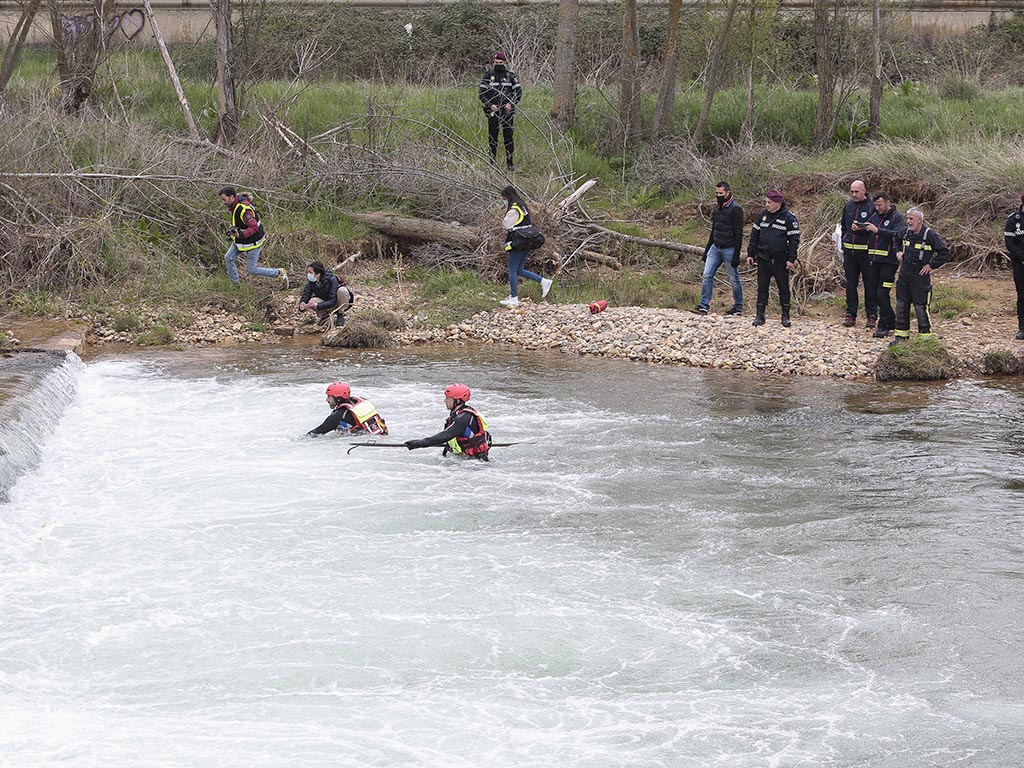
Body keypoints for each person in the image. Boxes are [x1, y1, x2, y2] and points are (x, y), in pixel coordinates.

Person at [892, 207, 950, 344]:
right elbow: (895, 239)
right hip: (904, 275)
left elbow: (944, 253)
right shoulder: (905, 233)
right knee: (901, 306)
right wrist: (898, 252)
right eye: (907, 218)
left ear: (920, 220)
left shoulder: (929, 234)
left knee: (920, 307)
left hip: (920, 276)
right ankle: (901, 338)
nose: (908, 222)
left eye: (911, 219)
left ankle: (925, 339)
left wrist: (931, 265)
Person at [746, 189, 799, 327]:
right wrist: (751, 254)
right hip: (763, 258)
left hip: (780, 260)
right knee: (762, 287)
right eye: (766, 202)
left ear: (778, 203)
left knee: (783, 288)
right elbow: (754, 236)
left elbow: (794, 240)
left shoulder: (789, 217)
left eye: (769, 202)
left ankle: (785, 316)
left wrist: (791, 259)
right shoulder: (762, 215)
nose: (766, 205)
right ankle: (760, 315)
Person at [219, 187, 289, 289]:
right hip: (242, 240)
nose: (223, 203)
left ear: (232, 197)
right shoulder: (235, 206)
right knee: (228, 257)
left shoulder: (244, 209)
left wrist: (241, 235)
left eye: (224, 200)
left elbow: (254, 227)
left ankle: (279, 273)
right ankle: (236, 286)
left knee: (252, 270)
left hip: (254, 241)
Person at [693, 181, 744, 316]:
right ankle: (704, 305)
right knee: (707, 275)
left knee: (734, 279)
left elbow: (739, 234)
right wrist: (707, 250)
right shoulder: (717, 208)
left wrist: (736, 255)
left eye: (721, 193)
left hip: (730, 248)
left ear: (728, 192)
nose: (718, 196)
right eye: (717, 193)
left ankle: (738, 307)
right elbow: (714, 229)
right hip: (716, 247)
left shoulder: (736, 209)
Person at [403, 384, 492, 461]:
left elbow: (445, 436)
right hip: (466, 459)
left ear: (457, 401)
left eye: (448, 398)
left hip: (474, 462)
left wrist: (419, 443)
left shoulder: (464, 418)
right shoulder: (461, 413)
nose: (445, 401)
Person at [499, 185, 553, 307]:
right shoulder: (522, 205)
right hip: (527, 240)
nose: (503, 201)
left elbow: (506, 225)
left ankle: (514, 298)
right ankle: (544, 281)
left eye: (503, 198)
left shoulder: (513, 209)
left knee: (512, 270)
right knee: (519, 270)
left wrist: (506, 212)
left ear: (507, 197)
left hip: (518, 241)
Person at [863, 192, 907, 339]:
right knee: (874, 292)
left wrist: (878, 230)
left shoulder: (897, 217)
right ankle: (891, 319)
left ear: (888, 202)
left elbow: (898, 235)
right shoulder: (875, 216)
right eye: (875, 205)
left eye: (880, 205)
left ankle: (883, 325)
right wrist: (861, 228)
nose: (877, 208)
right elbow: (869, 231)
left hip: (889, 262)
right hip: (874, 261)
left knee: (883, 292)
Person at [841, 179, 876, 327]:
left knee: (869, 285)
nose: (854, 194)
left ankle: (872, 315)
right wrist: (842, 240)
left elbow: (875, 229)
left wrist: (861, 229)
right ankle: (850, 314)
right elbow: (843, 225)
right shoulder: (848, 205)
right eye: (852, 191)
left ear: (864, 190)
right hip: (850, 252)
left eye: (857, 191)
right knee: (850, 285)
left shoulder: (872, 207)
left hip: (866, 253)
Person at [479, 51, 522, 171]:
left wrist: (511, 104)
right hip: (493, 111)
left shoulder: (511, 76)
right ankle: (492, 163)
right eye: (496, 62)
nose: (498, 64)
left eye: (501, 62)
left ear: (504, 62)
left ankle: (510, 163)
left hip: (507, 111)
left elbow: (518, 93)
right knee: (492, 137)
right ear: (493, 62)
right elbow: (482, 94)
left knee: (508, 137)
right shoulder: (488, 76)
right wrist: (490, 105)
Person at [307, 382, 388, 436]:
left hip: (365, 441)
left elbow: (316, 433)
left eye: (329, 397)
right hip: (382, 434)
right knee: (343, 427)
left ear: (338, 398)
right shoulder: (359, 403)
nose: (327, 400)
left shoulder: (337, 416)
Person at [298, 261, 353, 327]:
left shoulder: (332, 279)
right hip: (325, 303)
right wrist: (302, 304)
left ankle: (340, 314)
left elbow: (332, 300)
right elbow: (306, 294)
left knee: (342, 290)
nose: (308, 274)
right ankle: (324, 316)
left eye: (310, 272)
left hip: (337, 302)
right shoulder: (311, 283)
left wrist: (317, 305)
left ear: (318, 274)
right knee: (312, 301)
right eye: (308, 272)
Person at [1004, 194, 1024, 340]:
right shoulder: (1014, 220)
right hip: (1020, 263)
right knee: (1022, 296)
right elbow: (1009, 242)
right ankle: (1022, 328)